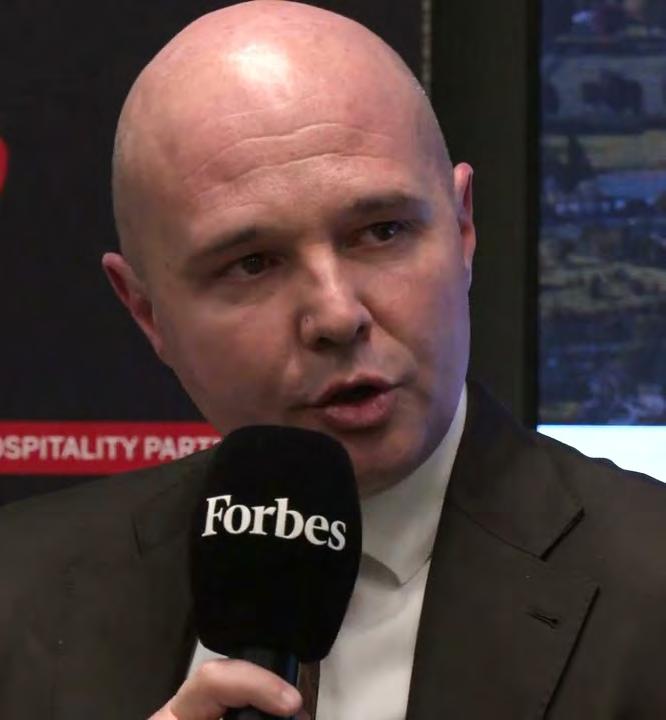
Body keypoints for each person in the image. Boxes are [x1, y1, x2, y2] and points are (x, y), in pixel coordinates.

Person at [2, 2, 666, 718]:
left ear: (463, 227)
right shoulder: (20, 592)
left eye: (382, 232)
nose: (337, 315)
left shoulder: (649, 591)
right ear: (146, 312)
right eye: (253, 263)